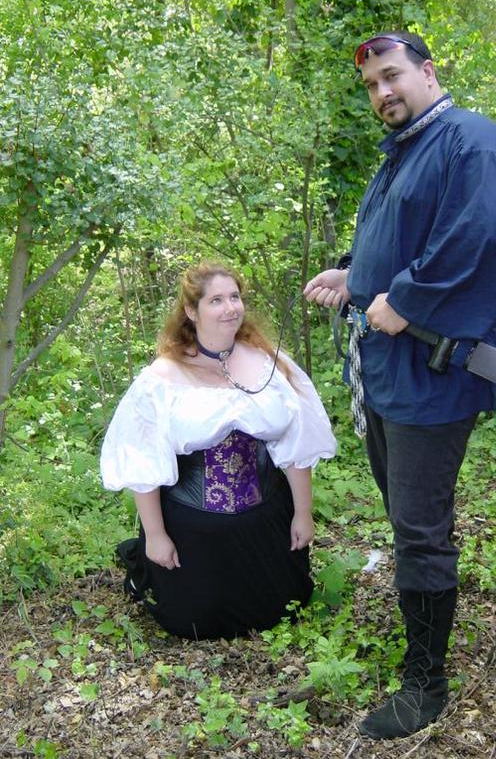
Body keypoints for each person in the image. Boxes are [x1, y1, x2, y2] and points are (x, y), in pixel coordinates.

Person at [304, 31, 496, 739]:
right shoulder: (403, 152)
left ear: (428, 72)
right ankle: (425, 637)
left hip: (432, 377)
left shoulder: (469, 139)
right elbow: (403, 240)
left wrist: (407, 299)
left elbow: (485, 236)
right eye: (372, 85)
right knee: (408, 517)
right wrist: (354, 275)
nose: (382, 92)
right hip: (388, 374)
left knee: (419, 529)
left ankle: (425, 682)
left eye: (392, 76)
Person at [101, 261, 336, 640]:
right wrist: (156, 535)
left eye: (234, 297)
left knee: (283, 610)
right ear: (191, 311)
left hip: (266, 521)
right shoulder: (162, 378)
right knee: (193, 623)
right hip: (193, 529)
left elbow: (297, 446)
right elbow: (144, 462)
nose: (230, 308)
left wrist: (303, 513)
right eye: (216, 300)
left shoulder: (268, 363)